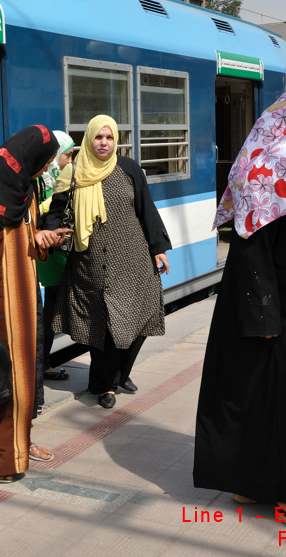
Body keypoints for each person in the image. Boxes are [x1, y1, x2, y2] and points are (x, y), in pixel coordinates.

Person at [193, 86, 286, 539]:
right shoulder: (271, 171)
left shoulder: (274, 163)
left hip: (282, 311)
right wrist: (266, 320)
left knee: (255, 399)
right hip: (285, 317)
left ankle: (249, 483)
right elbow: (253, 251)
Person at [0, 125, 71, 482]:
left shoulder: (23, 191)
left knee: (19, 384)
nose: (45, 169)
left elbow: (26, 237)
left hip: (23, 302)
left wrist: (44, 237)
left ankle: (16, 448)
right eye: (45, 162)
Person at [46, 115, 171, 409]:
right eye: (98, 138)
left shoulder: (128, 168)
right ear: (89, 139)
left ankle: (118, 373)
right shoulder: (73, 172)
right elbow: (56, 210)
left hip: (132, 259)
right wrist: (51, 232)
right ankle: (106, 386)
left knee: (141, 317)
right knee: (101, 327)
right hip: (89, 263)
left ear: (116, 140)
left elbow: (146, 209)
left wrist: (159, 248)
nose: (104, 143)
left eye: (109, 137)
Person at [33, 130, 76, 416]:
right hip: (49, 253)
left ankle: (44, 360)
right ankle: (43, 362)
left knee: (51, 306)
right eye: (68, 154)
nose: (69, 159)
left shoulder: (49, 177)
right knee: (50, 308)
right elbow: (36, 215)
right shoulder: (39, 180)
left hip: (55, 248)